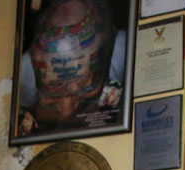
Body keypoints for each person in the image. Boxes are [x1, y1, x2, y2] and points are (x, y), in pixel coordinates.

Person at [18, 0, 126, 136]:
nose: (66, 111)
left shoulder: (120, 54)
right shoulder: (27, 69)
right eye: (51, 93)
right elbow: (26, 112)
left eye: (84, 87)